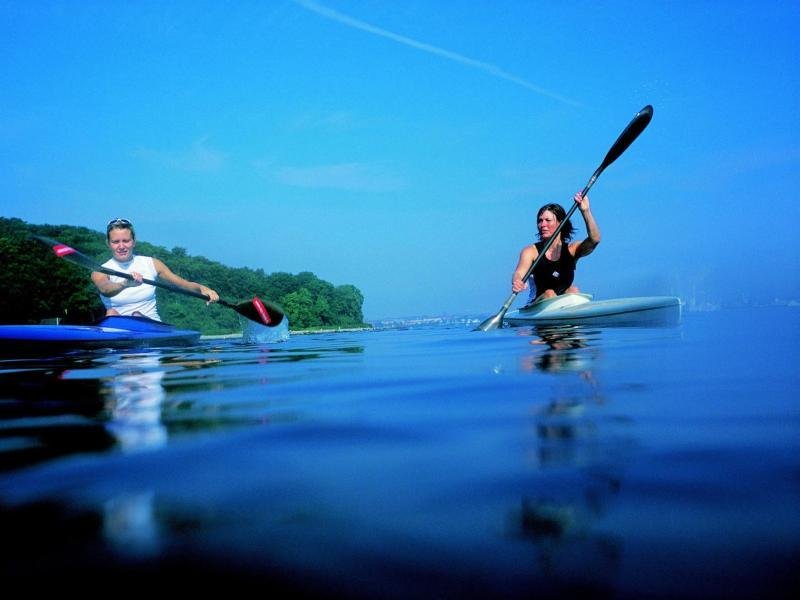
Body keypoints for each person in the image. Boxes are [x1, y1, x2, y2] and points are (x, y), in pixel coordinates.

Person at [92, 218, 220, 321]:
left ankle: (138, 320)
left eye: (126, 241)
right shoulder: (100, 271)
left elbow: (183, 284)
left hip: (150, 324)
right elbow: (105, 289)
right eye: (115, 242)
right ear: (108, 244)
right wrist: (125, 284)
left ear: (134, 242)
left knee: (136, 315)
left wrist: (203, 288)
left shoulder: (152, 263)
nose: (121, 246)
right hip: (116, 326)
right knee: (111, 313)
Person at [511, 192, 600, 305]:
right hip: (536, 306)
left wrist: (585, 211)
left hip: (563, 304)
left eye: (548, 220)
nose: (542, 225)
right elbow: (519, 273)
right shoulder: (531, 251)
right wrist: (517, 281)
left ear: (560, 223)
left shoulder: (572, 250)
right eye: (540, 221)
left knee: (573, 290)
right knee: (550, 293)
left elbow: (594, 239)